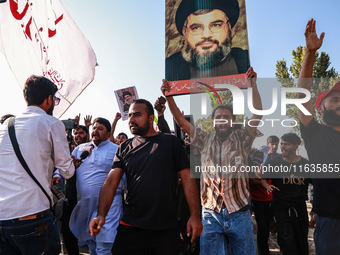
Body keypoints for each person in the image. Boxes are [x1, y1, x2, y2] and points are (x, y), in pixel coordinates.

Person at [162, 66, 262, 255]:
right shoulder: (204, 139)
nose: (222, 120)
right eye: (218, 117)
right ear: (214, 121)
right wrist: (169, 96)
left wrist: (254, 85)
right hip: (210, 214)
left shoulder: (243, 138)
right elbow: (181, 122)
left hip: (240, 213)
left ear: (232, 122)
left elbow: (257, 114)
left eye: (226, 117)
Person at [89, 99, 202, 255]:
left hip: (165, 228)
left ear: (150, 118)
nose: (132, 119)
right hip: (131, 226)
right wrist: (101, 214)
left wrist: (195, 216)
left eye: (137, 115)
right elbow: (110, 183)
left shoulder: (171, 143)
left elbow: (188, 179)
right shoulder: (124, 147)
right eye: (129, 115)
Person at [0, 75, 75, 254]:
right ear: (49, 100)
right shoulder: (51, 123)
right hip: (32, 216)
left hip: (3, 218)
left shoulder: (5, 125)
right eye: (55, 99)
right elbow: (68, 171)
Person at [298, 18, 340, 255]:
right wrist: (310, 54)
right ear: (320, 109)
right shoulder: (315, 134)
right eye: (334, 99)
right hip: (331, 224)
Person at [69, 117, 123, 254]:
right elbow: (66, 165)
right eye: (94, 128)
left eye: (100, 128)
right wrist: (57, 176)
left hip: (110, 204)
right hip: (86, 204)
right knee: (91, 243)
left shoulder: (117, 150)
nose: (95, 131)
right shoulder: (80, 149)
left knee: (104, 245)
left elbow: (125, 176)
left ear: (109, 133)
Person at [166, 0, 250, 81]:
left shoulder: (246, 61)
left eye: (216, 25)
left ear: (228, 27)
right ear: (185, 32)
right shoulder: (171, 68)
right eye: (196, 28)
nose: (206, 35)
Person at [261, 133, 310, 255]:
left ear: (296, 146)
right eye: (281, 144)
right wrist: (267, 186)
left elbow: (316, 185)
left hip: (300, 209)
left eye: (286, 144)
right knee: (287, 242)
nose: (282, 147)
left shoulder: (305, 164)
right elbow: (263, 178)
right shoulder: (274, 163)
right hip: (281, 208)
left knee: (302, 243)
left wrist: (315, 210)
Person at [249, 135, 280, 255]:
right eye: (272, 144)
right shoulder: (255, 158)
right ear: (267, 144)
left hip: (272, 199)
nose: (274, 146)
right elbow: (253, 179)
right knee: (262, 228)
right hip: (257, 199)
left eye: (276, 144)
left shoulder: (278, 158)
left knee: (270, 226)